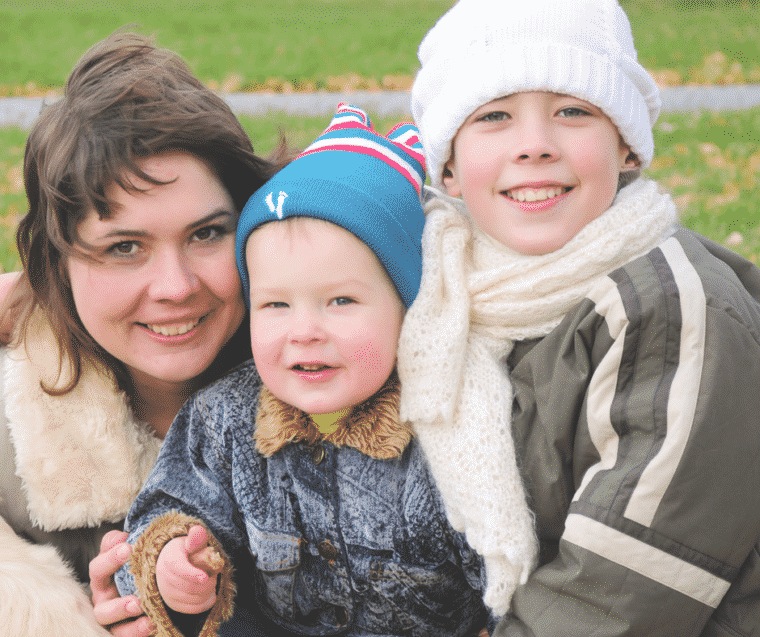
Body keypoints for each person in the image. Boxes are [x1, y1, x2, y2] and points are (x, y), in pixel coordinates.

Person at [396, 0, 760, 634]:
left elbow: (621, 592)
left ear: (626, 148)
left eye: (573, 111)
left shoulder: (671, 310)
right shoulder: (438, 301)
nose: (535, 146)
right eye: (494, 116)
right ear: (448, 168)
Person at [113, 103, 491, 637]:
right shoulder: (225, 420)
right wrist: (174, 564)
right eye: (276, 306)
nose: (304, 331)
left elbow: (509, 578)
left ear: (410, 308)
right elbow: (170, 509)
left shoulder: (452, 428)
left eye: (340, 301)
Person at [0, 31, 286, 637]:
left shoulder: (342, 381)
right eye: (124, 247)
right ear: (58, 267)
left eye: (207, 233)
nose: (175, 286)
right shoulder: (11, 449)